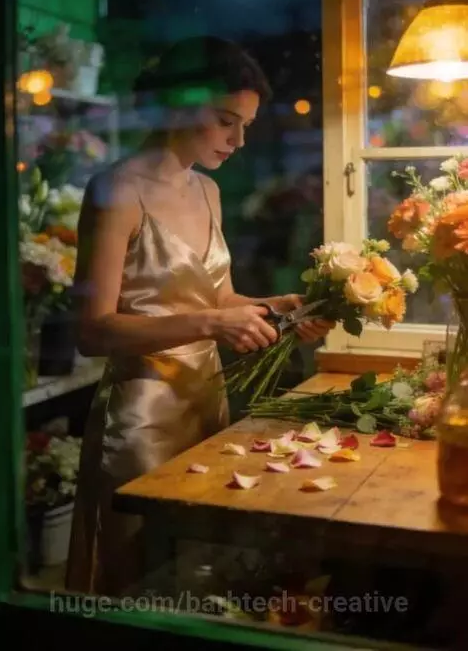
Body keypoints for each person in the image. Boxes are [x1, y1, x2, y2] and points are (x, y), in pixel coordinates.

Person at [65, 36, 333, 597]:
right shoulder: (116, 190)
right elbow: (92, 331)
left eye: (247, 126)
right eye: (225, 121)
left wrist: (273, 307)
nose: (239, 140)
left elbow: (214, 298)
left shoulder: (208, 191)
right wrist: (214, 325)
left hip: (207, 406)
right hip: (141, 419)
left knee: (198, 573)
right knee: (137, 578)